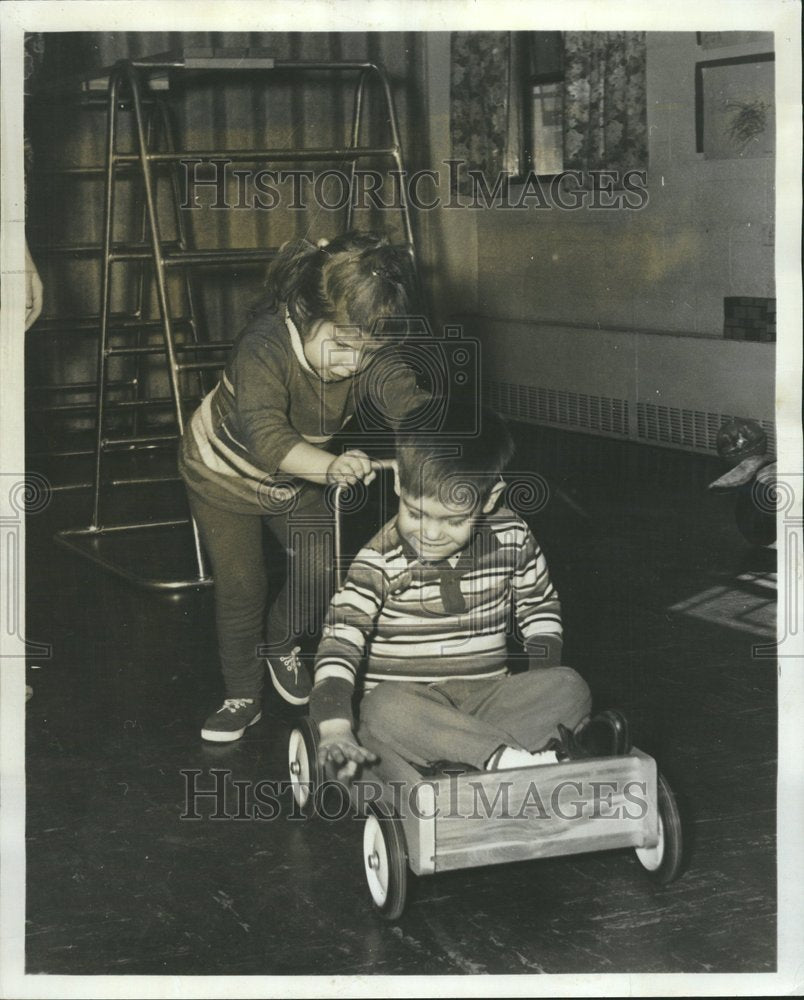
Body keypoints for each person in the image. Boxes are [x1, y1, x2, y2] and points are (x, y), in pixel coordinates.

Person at [179, 231, 426, 742]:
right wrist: (331, 466)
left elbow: (405, 394)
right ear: (300, 310)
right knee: (243, 586)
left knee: (319, 564)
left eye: (368, 351)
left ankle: (282, 642)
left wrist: (430, 442)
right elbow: (269, 440)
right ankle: (241, 694)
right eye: (341, 346)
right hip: (221, 474)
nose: (352, 364)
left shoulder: (360, 344)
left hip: (293, 477)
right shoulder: (264, 346)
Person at [310, 403, 628, 779]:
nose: (429, 534)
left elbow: (539, 607)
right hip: (415, 710)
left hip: (488, 698)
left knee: (570, 686)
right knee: (381, 707)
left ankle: (477, 755)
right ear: (398, 483)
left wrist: (538, 680)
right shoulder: (378, 561)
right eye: (415, 513)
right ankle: (516, 757)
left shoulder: (514, 537)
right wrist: (334, 726)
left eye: (453, 521)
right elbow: (340, 641)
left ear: (490, 499)